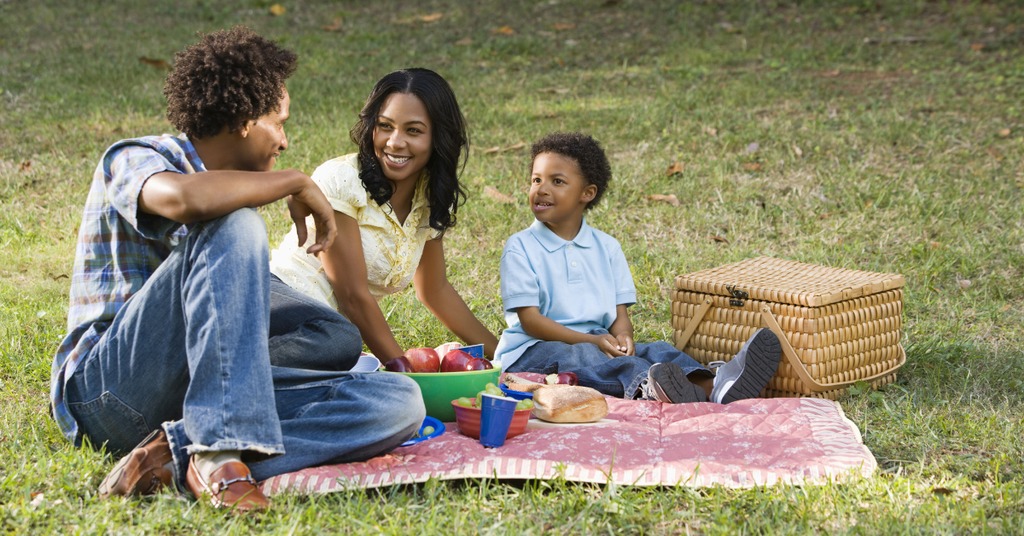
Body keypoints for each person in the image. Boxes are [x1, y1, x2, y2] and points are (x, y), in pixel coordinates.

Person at [49, 27, 425, 511]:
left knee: (390, 396)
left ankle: (177, 450)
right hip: (109, 396)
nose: (286, 142)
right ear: (247, 120)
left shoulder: (234, 196)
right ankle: (220, 453)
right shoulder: (135, 157)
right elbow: (185, 199)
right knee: (235, 223)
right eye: (279, 122)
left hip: (190, 401)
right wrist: (294, 182)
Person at [495, 132, 782, 403]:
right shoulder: (521, 247)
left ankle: (714, 385)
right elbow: (531, 321)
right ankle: (649, 388)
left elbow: (620, 315)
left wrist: (623, 337)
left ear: (587, 193)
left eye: (556, 181)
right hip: (533, 351)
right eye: (536, 180)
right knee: (589, 358)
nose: (541, 190)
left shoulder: (607, 247)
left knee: (656, 349)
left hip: (597, 341)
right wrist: (592, 340)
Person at [269, 68, 498, 364]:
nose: (394, 142)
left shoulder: (427, 196)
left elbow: (435, 289)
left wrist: (503, 356)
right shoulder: (342, 180)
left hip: (328, 342)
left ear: (438, 137)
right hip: (282, 308)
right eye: (385, 126)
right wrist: (406, 373)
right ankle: (216, 377)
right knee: (344, 343)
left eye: (413, 130)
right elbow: (353, 297)